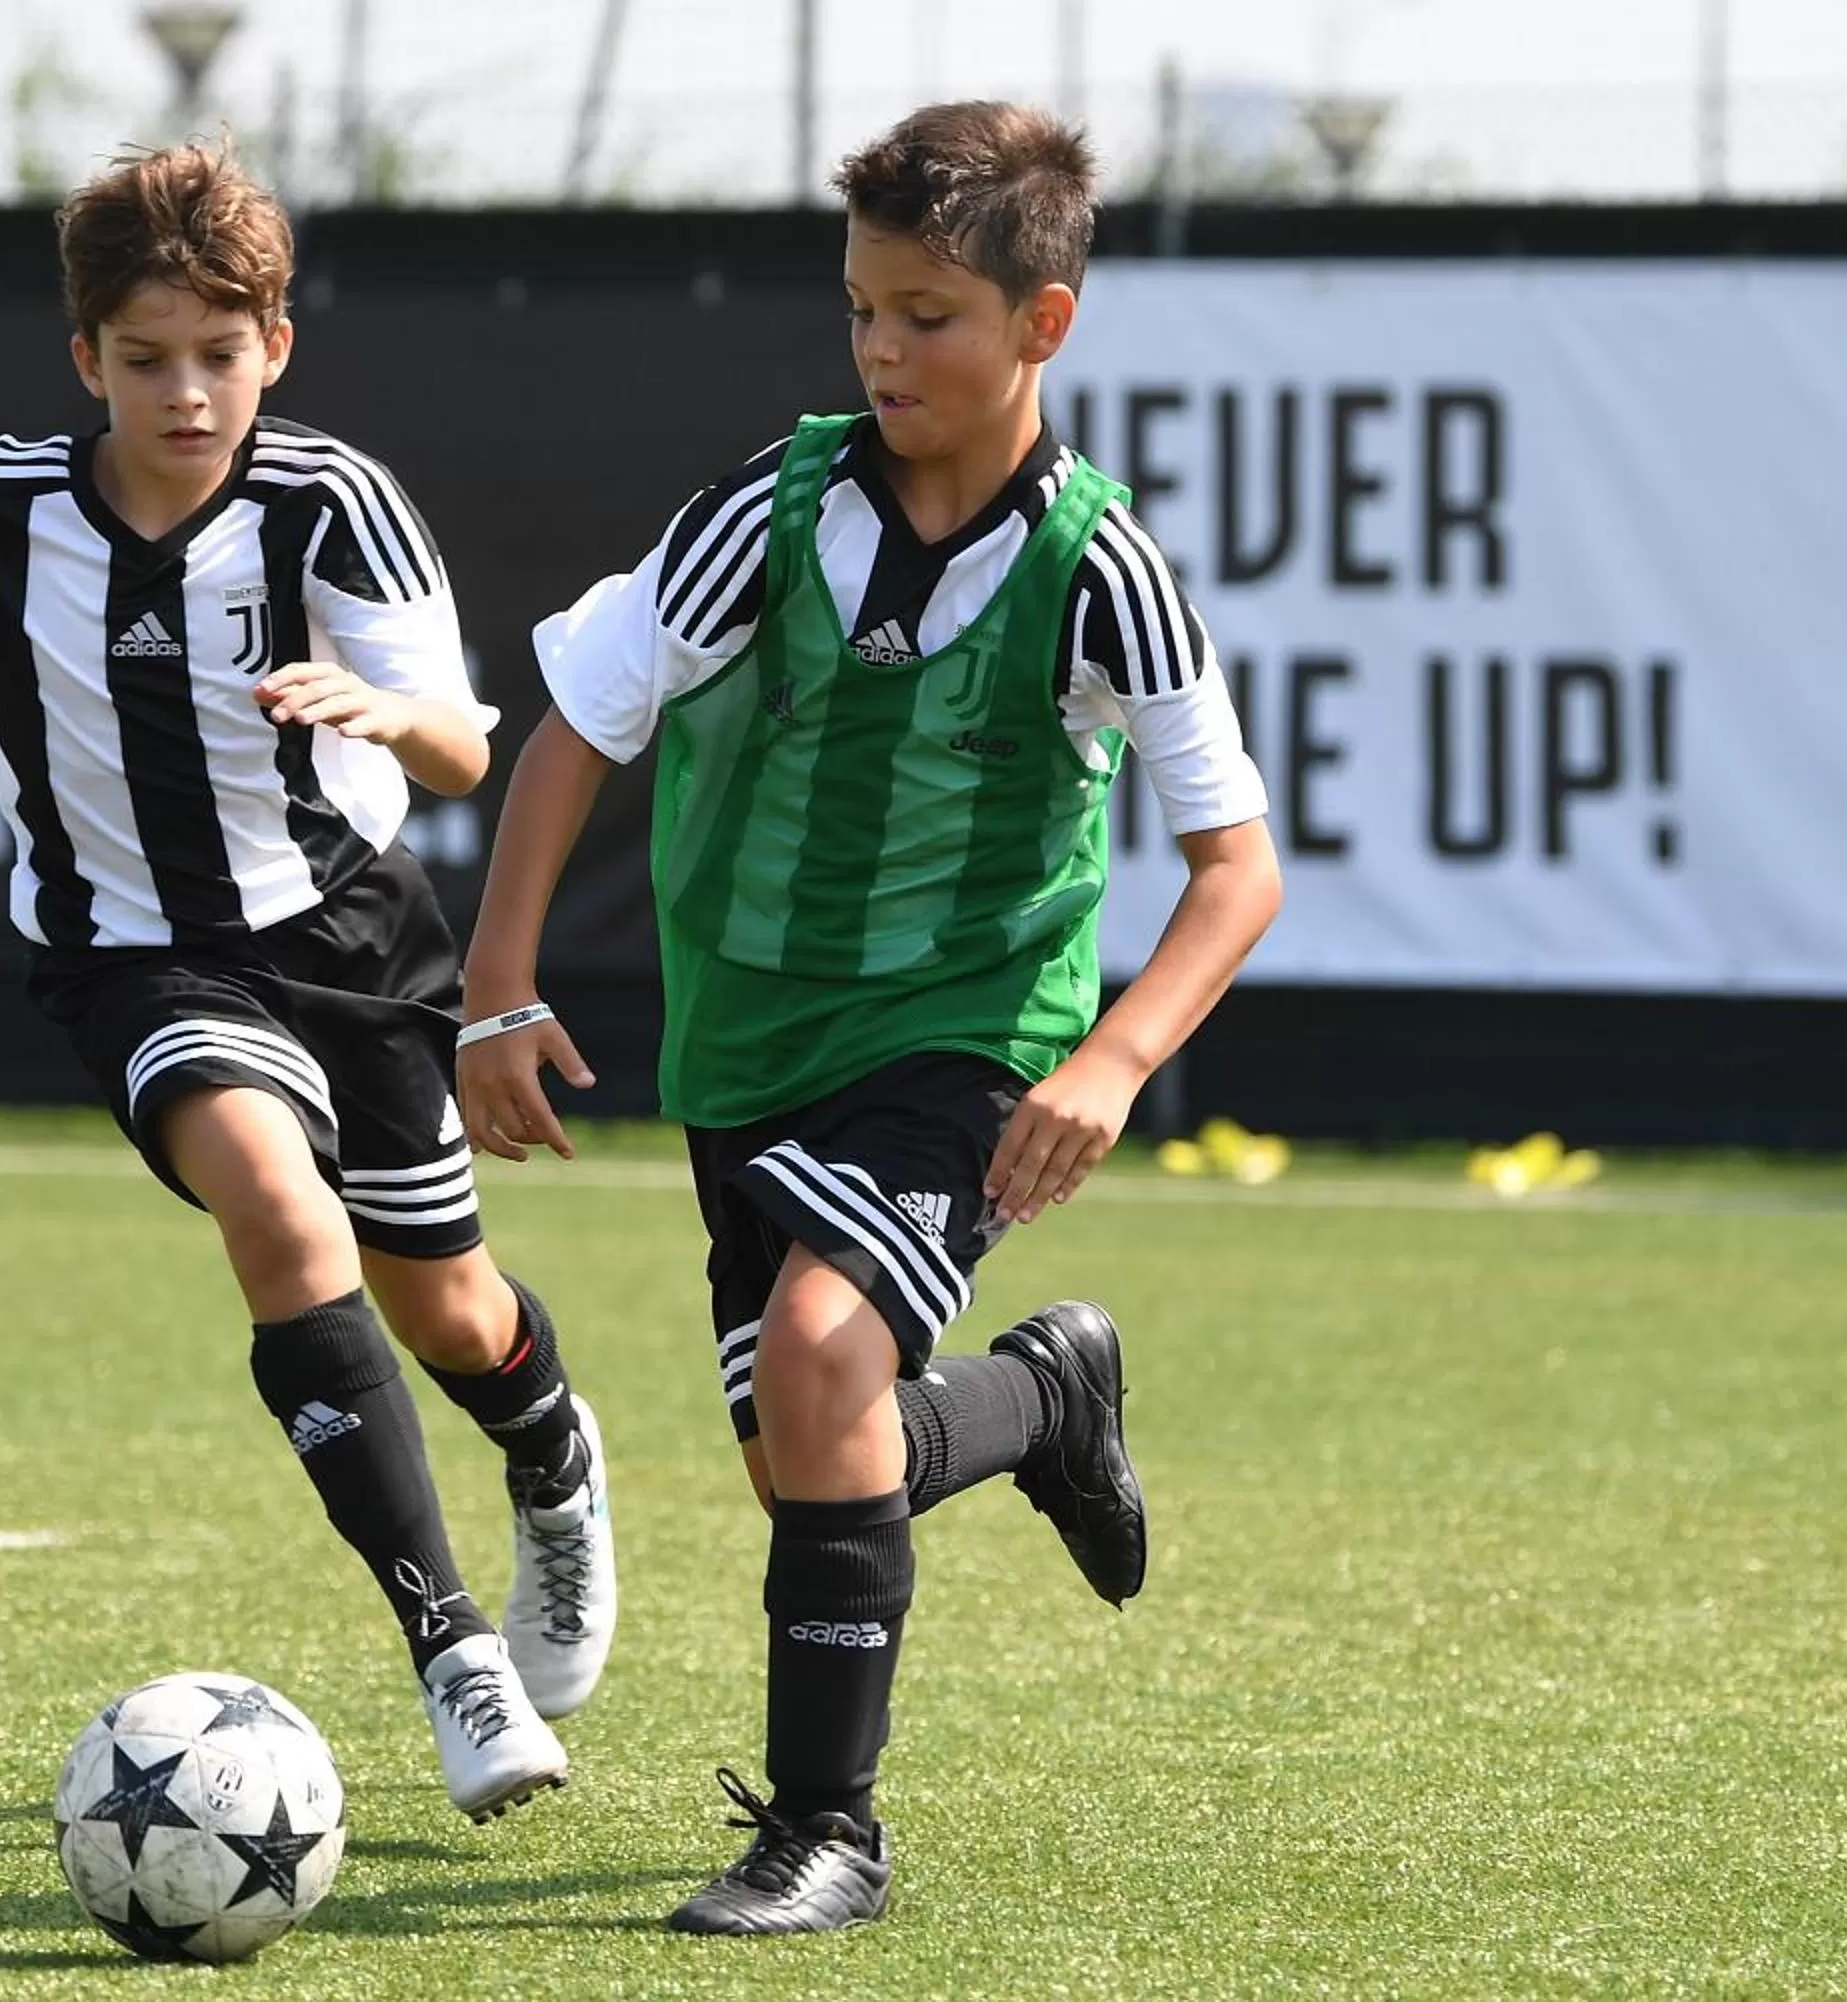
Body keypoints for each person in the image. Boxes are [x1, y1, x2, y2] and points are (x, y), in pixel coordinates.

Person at [0, 140, 616, 1823]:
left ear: (275, 347)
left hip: (351, 942)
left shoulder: (329, 501)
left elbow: (468, 737)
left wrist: (383, 717)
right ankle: (452, 1654)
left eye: (219, 354)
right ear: (86, 362)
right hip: (132, 959)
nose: (185, 393)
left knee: (450, 1313)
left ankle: (553, 1455)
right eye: (146, 359)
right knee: (281, 1220)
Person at [458, 100, 1281, 1929]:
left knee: (827, 1363)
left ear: (1042, 326)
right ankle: (1049, 1397)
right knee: (809, 1452)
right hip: (746, 1054)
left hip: (965, 1044)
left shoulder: (1102, 570)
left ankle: (828, 1830)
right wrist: (494, 990)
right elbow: (580, 728)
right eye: (862, 313)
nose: (885, 350)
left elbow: (1238, 869)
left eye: (930, 316)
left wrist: (1112, 1060)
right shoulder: (764, 513)